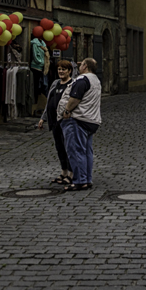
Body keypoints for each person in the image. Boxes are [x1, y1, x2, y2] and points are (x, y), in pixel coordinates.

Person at [58, 57, 102, 191]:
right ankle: (86, 179)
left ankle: (79, 181)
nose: (79, 65)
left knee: (76, 151)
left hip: (78, 120)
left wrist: (66, 110)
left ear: (85, 66)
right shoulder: (96, 80)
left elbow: (75, 98)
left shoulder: (83, 80)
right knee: (86, 151)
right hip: (91, 120)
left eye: (81, 64)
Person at [36, 57, 74, 185]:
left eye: (63, 69)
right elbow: (49, 103)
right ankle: (63, 172)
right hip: (54, 121)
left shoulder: (72, 84)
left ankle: (71, 173)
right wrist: (43, 118)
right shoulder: (55, 83)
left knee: (68, 147)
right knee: (59, 147)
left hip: (65, 121)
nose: (61, 72)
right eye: (59, 69)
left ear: (69, 71)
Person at [29, 32, 48, 104]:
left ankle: (39, 101)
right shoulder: (35, 44)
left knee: (42, 84)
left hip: (42, 67)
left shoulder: (43, 44)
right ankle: (35, 102)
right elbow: (35, 54)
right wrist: (39, 61)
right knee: (36, 84)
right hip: (36, 66)